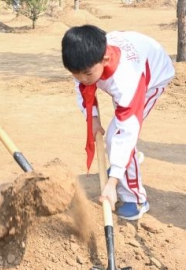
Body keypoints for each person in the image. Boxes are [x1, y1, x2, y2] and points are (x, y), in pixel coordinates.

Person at [61, 25, 174, 220]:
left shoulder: (127, 81)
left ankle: (135, 199)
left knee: (117, 138)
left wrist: (112, 183)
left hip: (153, 77)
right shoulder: (83, 62)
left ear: (104, 60)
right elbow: (83, 89)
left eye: (87, 74)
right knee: (117, 141)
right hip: (133, 57)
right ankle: (122, 167)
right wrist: (93, 119)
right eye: (75, 73)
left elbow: (127, 130)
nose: (81, 79)